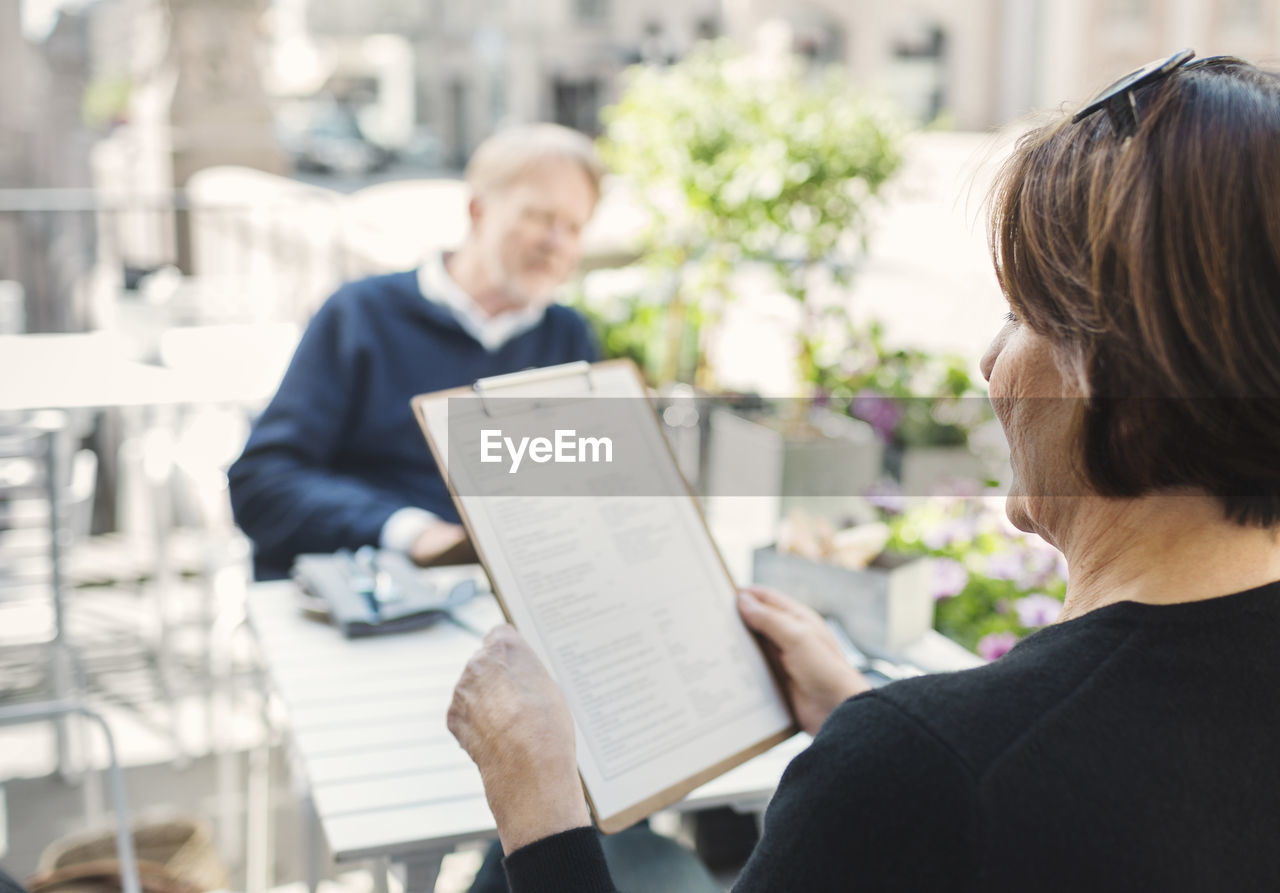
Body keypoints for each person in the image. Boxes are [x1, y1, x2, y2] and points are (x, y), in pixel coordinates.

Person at [444, 52, 1280, 891]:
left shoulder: (917, 773)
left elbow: (977, 790)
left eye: (1020, 313)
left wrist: (540, 801)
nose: (990, 360)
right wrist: (859, 715)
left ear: (1114, 373)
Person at [228, 124, 604, 580]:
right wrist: (411, 534)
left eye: (574, 227)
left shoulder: (566, 335)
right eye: (540, 218)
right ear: (478, 210)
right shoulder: (361, 314)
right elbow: (263, 482)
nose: (556, 243)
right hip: (372, 588)